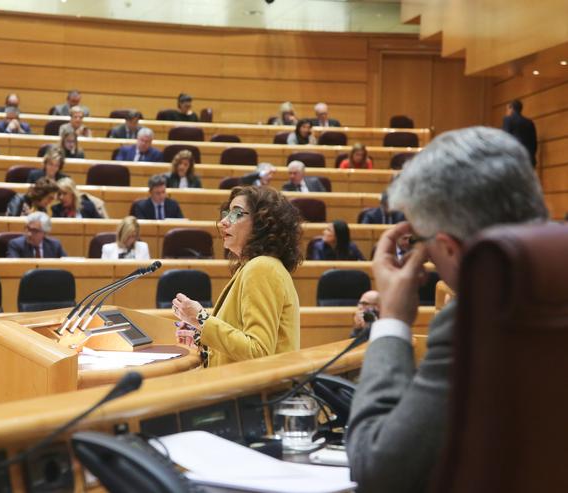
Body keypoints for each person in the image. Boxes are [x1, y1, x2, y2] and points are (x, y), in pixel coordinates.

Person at [346, 126, 548, 493]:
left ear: (450, 249)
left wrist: (391, 320)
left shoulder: (480, 319)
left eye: (420, 241)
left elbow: (379, 468)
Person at [171, 186, 303, 367]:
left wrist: (201, 319)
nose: (223, 222)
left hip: (259, 394)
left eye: (237, 214)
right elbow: (241, 343)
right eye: (226, 214)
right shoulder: (255, 266)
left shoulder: (262, 267)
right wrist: (203, 339)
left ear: (262, 223)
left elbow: (258, 352)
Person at [502, 99, 538, 166]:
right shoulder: (530, 123)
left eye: (507, 109)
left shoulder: (508, 119)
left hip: (514, 158)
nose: (506, 112)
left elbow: (505, 139)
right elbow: (534, 144)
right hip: (528, 159)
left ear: (511, 108)